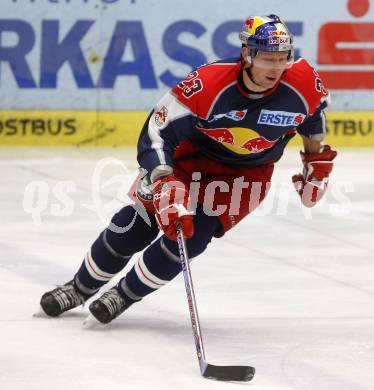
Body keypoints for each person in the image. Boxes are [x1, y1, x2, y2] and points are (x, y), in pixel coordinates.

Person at [40, 15, 337, 324]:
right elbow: (156, 131)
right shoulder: (207, 85)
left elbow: (313, 120)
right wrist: (164, 180)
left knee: (192, 237)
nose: (276, 67)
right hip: (187, 161)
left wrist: (314, 164)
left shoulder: (302, 83)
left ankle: (123, 295)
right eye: (266, 58)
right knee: (135, 224)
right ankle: (79, 287)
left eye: (282, 58)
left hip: (246, 176)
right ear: (247, 55)